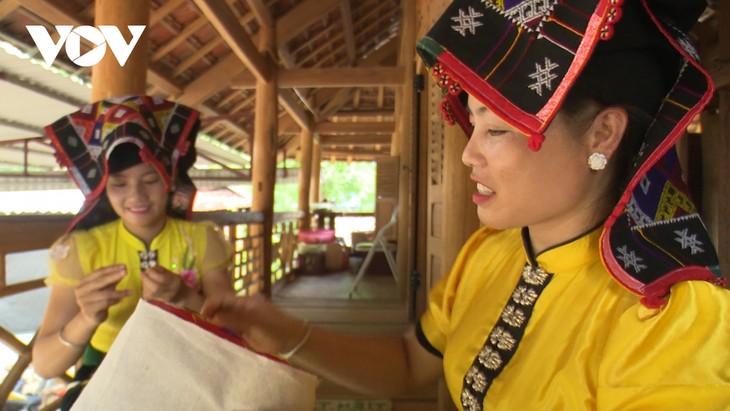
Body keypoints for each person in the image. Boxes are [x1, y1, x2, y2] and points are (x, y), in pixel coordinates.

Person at [200, 1, 730, 409]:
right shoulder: (490, 254)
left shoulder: (668, 319)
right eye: (473, 124)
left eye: (496, 130)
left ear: (603, 134)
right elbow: (411, 364)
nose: (468, 154)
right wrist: (284, 332)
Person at [32, 95, 235, 410]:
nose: (136, 196)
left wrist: (185, 297)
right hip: (106, 369)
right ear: (103, 187)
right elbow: (45, 365)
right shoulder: (79, 250)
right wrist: (86, 318)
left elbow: (236, 333)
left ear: (169, 179)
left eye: (150, 180)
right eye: (119, 184)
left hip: (190, 365)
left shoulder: (202, 240)